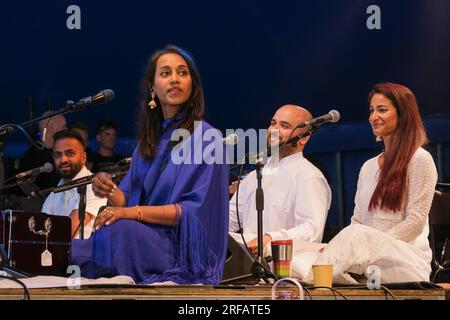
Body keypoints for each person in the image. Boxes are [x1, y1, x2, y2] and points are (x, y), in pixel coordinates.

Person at [71, 45, 229, 285]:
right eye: (165, 73)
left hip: (181, 249)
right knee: (93, 236)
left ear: (193, 86)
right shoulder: (149, 142)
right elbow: (126, 199)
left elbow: (193, 212)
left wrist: (130, 213)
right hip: (142, 235)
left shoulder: (206, 137)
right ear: (152, 88)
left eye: (182, 73)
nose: (175, 79)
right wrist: (107, 189)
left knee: (122, 232)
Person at [307, 83, 438, 284]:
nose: (373, 117)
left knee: (352, 239)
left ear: (403, 114)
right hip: (366, 259)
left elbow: (416, 222)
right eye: (371, 110)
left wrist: (369, 245)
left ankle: (318, 281)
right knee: (304, 255)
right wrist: (342, 247)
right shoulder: (368, 167)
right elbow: (357, 221)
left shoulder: (420, 159)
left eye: (382, 110)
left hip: (403, 259)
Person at [229, 104, 332, 279]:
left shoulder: (308, 176)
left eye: (284, 126)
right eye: (273, 123)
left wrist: (270, 237)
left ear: (303, 138)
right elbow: (229, 219)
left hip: (285, 270)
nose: (274, 130)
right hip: (245, 266)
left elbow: (311, 229)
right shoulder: (254, 176)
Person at [41, 130, 106, 239]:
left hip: (85, 255)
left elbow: (68, 231)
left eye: (70, 153)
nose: (63, 160)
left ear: (83, 158)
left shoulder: (94, 186)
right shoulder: (53, 195)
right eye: (57, 155)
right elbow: (41, 229)